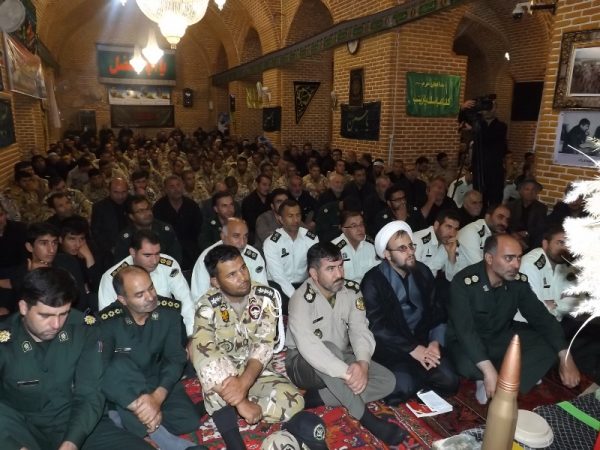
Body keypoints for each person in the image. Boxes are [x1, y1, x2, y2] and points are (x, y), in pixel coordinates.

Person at [0, 267, 153, 450]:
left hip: (75, 422)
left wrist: (72, 441)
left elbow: (90, 394)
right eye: (46, 315)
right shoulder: (4, 339)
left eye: (63, 313)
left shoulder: (84, 330)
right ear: (24, 307)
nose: (56, 324)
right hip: (21, 428)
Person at [285, 242, 407, 446]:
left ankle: (317, 398)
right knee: (328, 349)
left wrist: (363, 364)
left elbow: (360, 328)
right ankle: (370, 421)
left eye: (341, 266)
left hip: (341, 356)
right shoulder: (300, 299)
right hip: (303, 364)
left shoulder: (351, 290)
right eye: (330, 269)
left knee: (388, 381)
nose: (339, 273)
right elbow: (310, 347)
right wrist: (348, 374)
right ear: (314, 274)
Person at [446, 234, 581, 405]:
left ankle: (505, 381)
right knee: (465, 364)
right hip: (467, 342)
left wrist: (565, 356)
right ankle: (494, 376)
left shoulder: (517, 282)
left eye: (518, 258)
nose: (516, 265)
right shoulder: (464, 283)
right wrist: (488, 370)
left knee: (549, 344)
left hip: (500, 337)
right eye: (509, 258)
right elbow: (465, 332)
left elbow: (541, 318)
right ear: (489, 258)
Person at [192, 245, 303, 450]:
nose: (243, 277)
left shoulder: (264, 296)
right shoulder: (207, 305)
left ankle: (228, 408)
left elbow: (264, 345)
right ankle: (234, 434)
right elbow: (202, 352)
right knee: (211, 375)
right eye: (232, 275)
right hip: (225, 374)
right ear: (215, 281)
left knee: (294, 402)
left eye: (243, 268)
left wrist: (242, 386)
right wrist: (241, 401)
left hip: (255, 370)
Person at [99, 266, 206, 450]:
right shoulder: (108, 322)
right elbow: (102, 370)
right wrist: (139, 402)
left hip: (156, 379)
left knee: (188, 422)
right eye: (139, 294)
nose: (150, 297)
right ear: (123, 299)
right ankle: (141, 426)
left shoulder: (168, 312)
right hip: (126, 386)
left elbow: (175, 358)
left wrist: (157, 398)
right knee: (119, 367)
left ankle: (129, 421)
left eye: (151, 288)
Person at [360, 221, 459, 403]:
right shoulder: (372, 281)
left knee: (450, 380)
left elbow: (437, 311)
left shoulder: (423, 271)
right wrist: (412, 348)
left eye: (411, 246)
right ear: (387, 254)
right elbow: (377, 326)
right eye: (402, 248)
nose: (411, 252)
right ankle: (413, 380)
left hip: (424, 343)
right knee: (401, 387)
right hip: (392, 348)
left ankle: (416, 379)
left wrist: (435, 343)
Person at [98, 230, 195, 337]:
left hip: (166, 326)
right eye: (147, 255)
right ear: (133, 252)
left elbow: (186, 301)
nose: (154, 261)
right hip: (131, 332)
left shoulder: (168, 265)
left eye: (157, 254)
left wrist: (192, 335)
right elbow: (108, 319)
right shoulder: (112, 277)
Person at [191, 218, 267, 301]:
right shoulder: (207, 259)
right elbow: (199, 297)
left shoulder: (253, 255)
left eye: (245, 236)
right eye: (236, 236)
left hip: (252, 303)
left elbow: (262, 288)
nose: (242, 242)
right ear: (223, 236)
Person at [263, 200, 319, 311]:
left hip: (303, 284)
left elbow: (316, 268)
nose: (295, 220)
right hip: (279, 287)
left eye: (298, 215)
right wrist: (297, 297)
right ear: (280, 219)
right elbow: (278, 276)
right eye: (290, 216)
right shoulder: (271, 243)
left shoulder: (311, 238)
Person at [113, 195, 183, 264]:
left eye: (148, 209)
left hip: (164, 269)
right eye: (140, 211)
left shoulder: (165, 229)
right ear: (132, 216)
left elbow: (176, 257)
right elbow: (121, 264)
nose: (147, 213)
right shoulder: (125, 238)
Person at [152, 175, 203, 270]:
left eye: (178, 185)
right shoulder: (159, 207)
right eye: (172, 186)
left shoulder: (192, 205)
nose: (176, 189)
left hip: (191, 249)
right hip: (167, 250)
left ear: (183, 186)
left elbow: (199, 229)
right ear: (165, 190)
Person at [413, 209, 466, 282]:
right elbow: (411, 273)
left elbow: (451, 278)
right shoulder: (418, 239)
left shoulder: (449, 244)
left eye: (456, 229)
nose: (452, 234)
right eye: (449, 227)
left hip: (431, 283)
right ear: (436, 225)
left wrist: (451, 255)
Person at [330, 210, 378, 283]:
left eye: (361, 224)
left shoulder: (371, 245)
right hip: (343, 288)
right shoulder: (333, 248)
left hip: (368, 287)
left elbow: (378, 273)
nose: (360, 229)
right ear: (344, 229)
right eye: (354, 226)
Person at [91, 178, 130, 259]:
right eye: (116, 192)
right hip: (110, 250)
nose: (120, 196)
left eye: (124, 192)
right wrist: (110, 248)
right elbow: (96, 232)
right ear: (109, 191)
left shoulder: (133, 203)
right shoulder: (99, 207)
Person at [508, 178, 548, 250]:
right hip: (512, 237)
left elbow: (540, 227)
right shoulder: (511, 205)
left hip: (531, 240)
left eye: (534, 190)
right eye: (527, 189)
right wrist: (514, 234)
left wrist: (527, 233)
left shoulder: (541, 208)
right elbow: (507, 223)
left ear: (537, 192)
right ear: (520, 191)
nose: (530, 192)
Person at [241, 174, 272, 243]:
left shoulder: (271, 199)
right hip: (254, 233)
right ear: (257, 184)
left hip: (271, 230)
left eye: (269, 185)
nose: (267, 188)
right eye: (264, 184)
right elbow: (251, 223)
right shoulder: (248, 201)